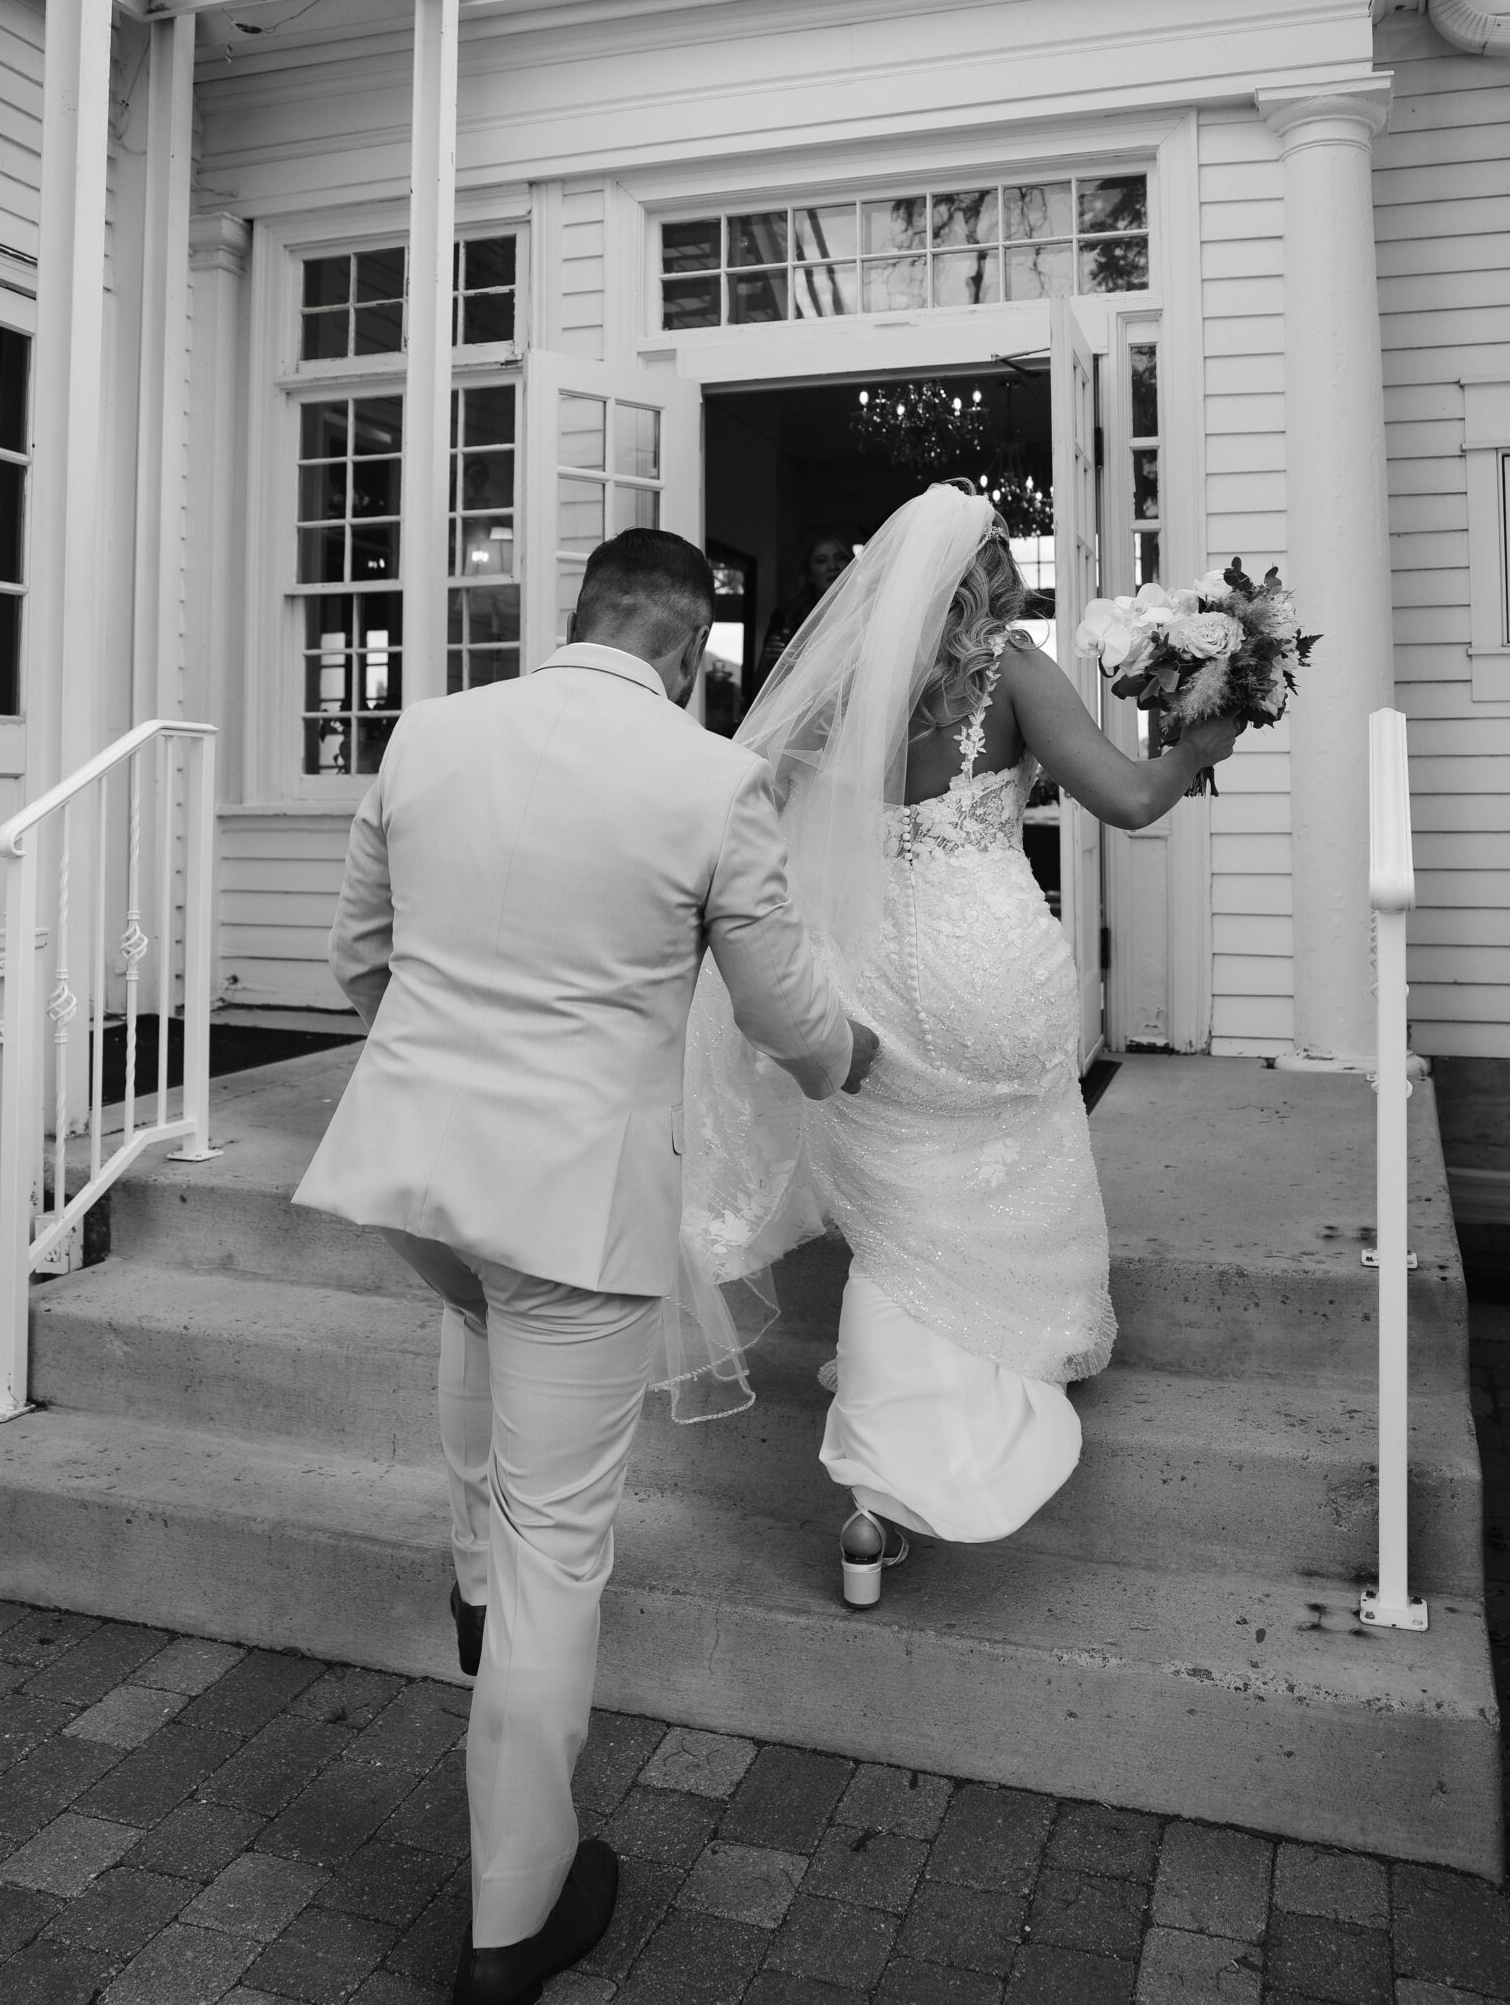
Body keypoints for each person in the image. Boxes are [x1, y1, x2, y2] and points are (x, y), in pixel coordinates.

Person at [293, 530, 879, 2005]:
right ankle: (512, 1926)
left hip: (414, 1179)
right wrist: (851, 1051)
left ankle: (475, 1584)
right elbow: (784, 1013)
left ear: (579, 618)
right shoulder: (702, 778)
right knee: (568, 1544)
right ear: (689, 650)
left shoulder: (429, 733)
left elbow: (354, 962)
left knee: (484, 1332)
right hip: (572, 1206)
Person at [680, 481, 1239, 1602]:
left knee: (901, 1215)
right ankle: (982, 1391)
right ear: (991, 574)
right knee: (1010, 1159)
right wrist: (1202, 738)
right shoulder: (1014, 673)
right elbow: (1129, 799)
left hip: (868, 970)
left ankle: (873, 1502)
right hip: (990, 966)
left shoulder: (838, 684)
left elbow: (756, 820)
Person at [754, 532, 853, 690]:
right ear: (809, 575)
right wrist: (771, 663)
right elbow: (761, 688)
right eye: (821, 561)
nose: (833, 566)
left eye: (840, 558)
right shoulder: (788, 617)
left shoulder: (866, 611)